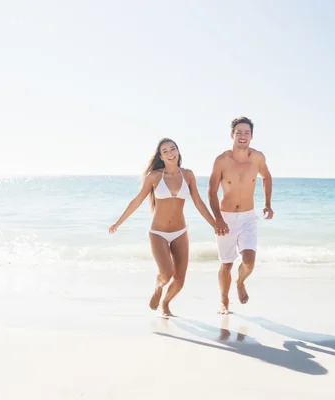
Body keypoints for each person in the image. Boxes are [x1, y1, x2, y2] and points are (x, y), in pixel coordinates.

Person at [109, 138, 216, 317]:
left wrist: (214, 224)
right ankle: (158, 287)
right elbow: (137, 200)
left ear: (178, 151)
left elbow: (198, 202)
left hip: (180, 232)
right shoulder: (155, 177)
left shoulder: (188, 175)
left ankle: (165, 304)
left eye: (172, 149)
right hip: (158, 233)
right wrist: (118, 222)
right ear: (161, 156)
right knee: (166, 274)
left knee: (180, 280)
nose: (170, 153)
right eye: (165, 151)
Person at [208, 116, 273, 315]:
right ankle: (224, 301)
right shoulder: (221, 160)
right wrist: (217, 219)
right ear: (232, 135)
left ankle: (240, 281)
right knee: (226, 263)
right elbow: (211, 192)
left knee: (249, 260)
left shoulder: (258, 158)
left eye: (246, 132)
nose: (242, 136)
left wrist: (268, 204)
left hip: (248, 216)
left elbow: (267, 177)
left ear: (251, 136)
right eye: (239, 132)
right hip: (226, 217)